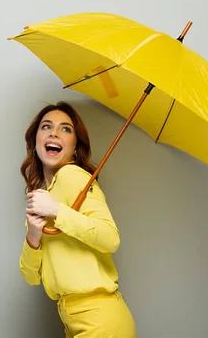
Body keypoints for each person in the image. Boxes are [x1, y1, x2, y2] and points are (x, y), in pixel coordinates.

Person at [18, 101, 136, 337]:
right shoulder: (43, 198)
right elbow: (31, 277)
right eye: (46, 126)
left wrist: (57, 211)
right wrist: (33, 236)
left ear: (75, 148)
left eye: (66, 129)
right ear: (35, 144)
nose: (54, 132)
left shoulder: (74, 176)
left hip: (100, 319)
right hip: (70, 318)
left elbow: (110, 238)